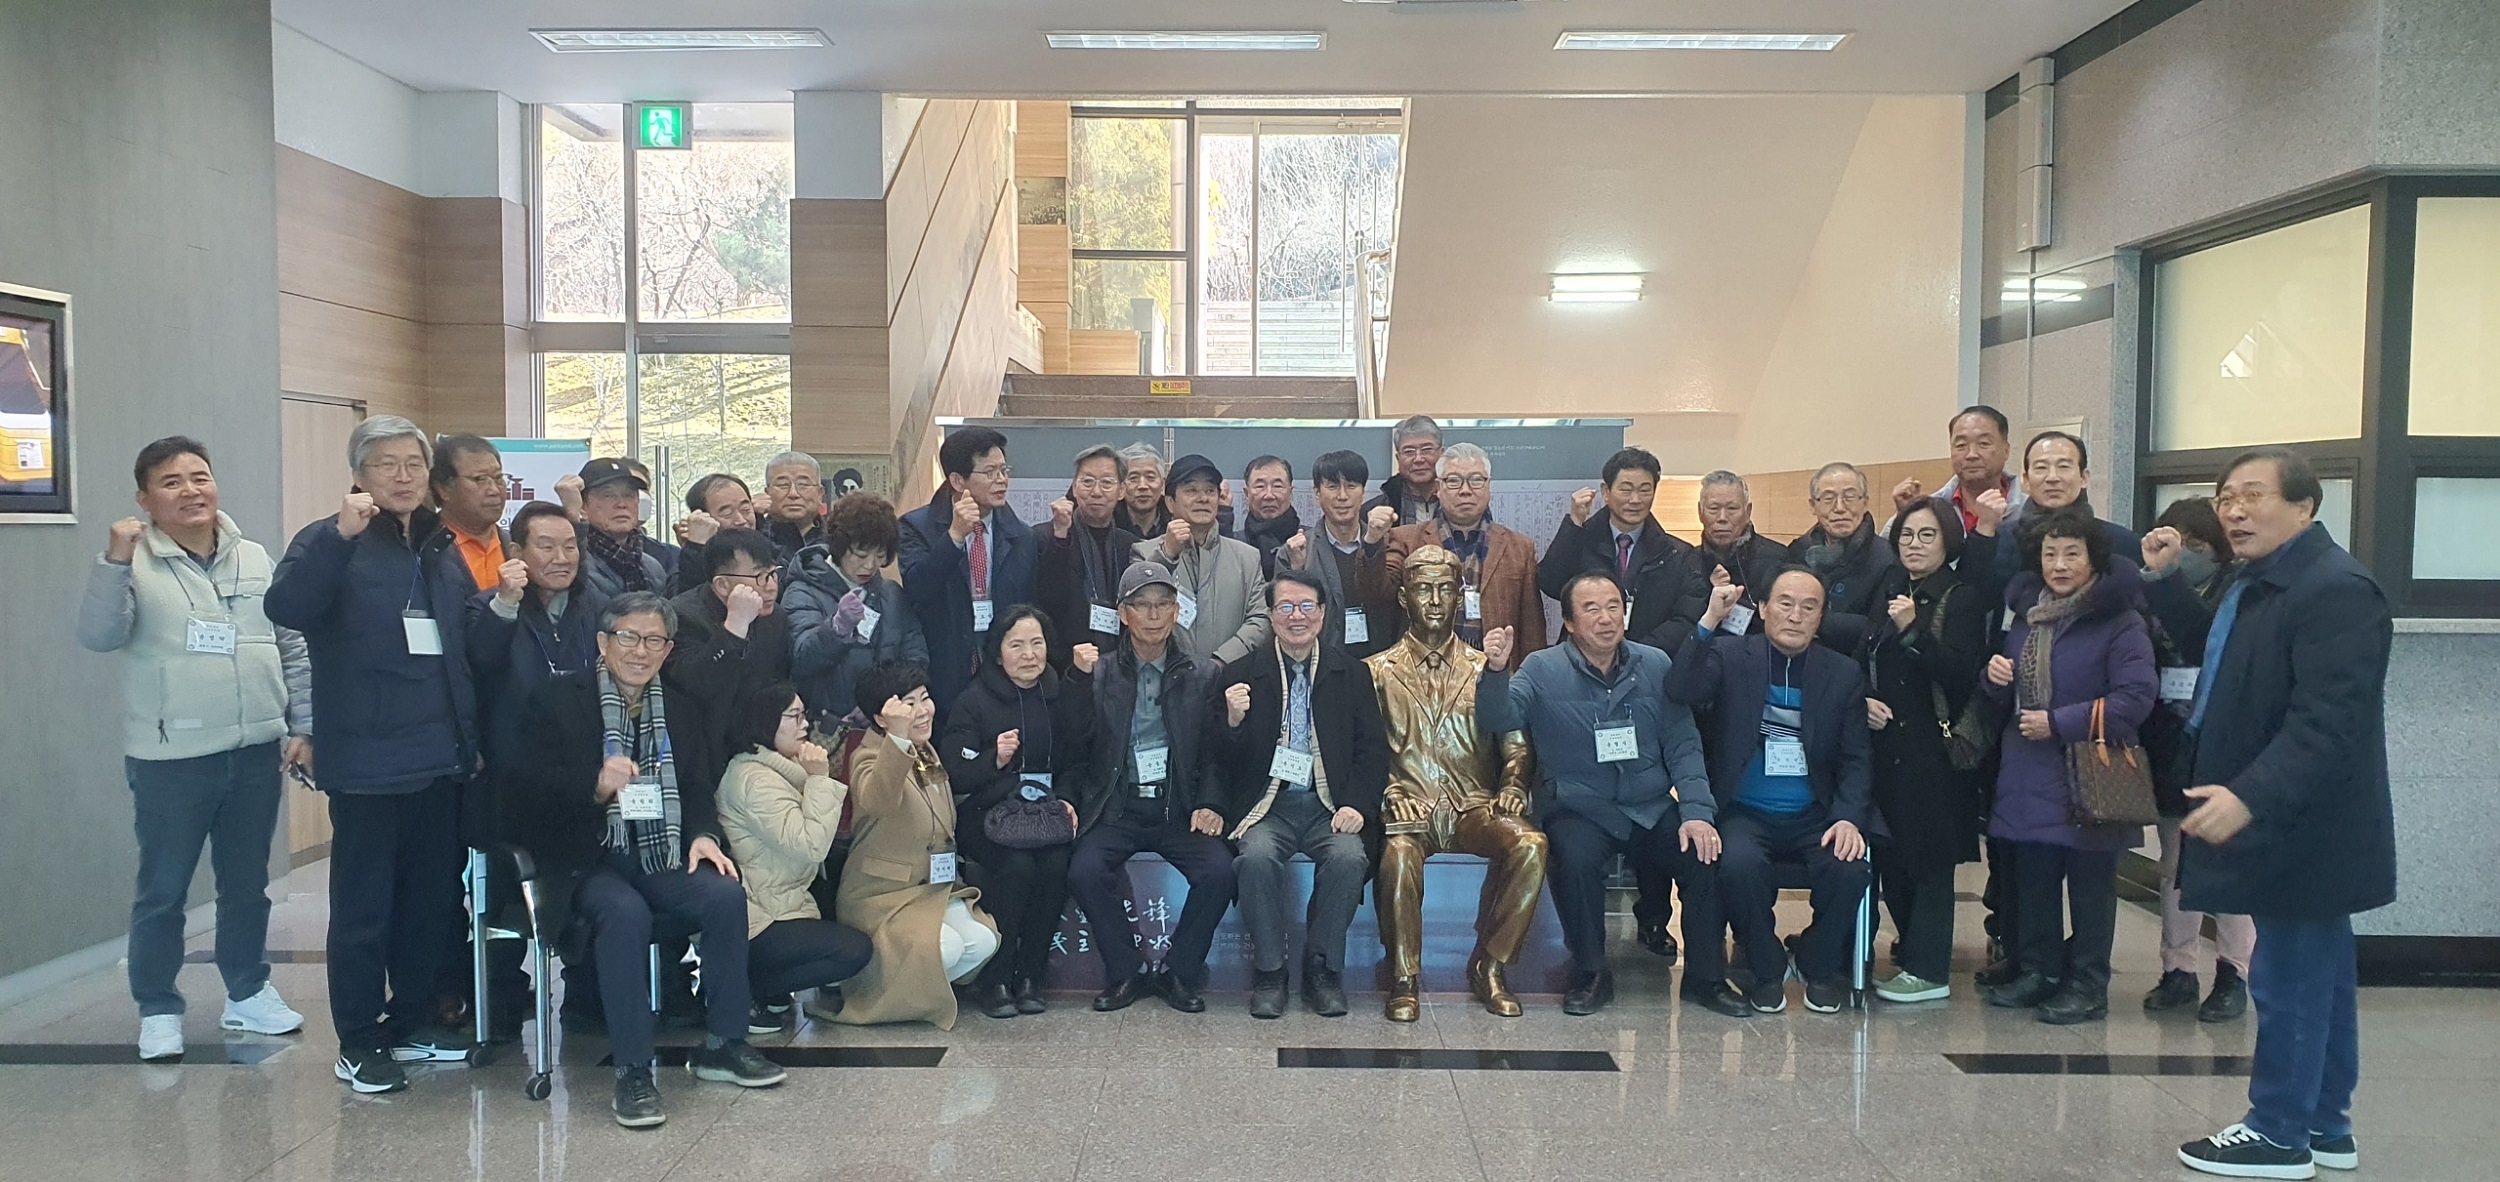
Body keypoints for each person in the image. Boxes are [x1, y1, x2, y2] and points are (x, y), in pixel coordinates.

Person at [2166, 449, 2393, 1180]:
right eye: (2226, 497)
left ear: (2304, 507)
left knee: (2290, 978)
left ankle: (2277, 1132)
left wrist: (2251, 796)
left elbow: (2329, 722)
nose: (2234, 511)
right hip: (2288, 816)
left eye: (2252, 496)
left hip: (2306, 823)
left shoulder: (2335, 590)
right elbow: (2224, 669)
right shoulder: (2261, 581)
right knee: (2320, 977)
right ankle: (2325, 1124)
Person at [506, 592, 786, 1128]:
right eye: (628, 638)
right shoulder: (558, 701)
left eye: (654, 640)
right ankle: (633, 1070)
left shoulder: (679, 709)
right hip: (585, 857)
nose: (640, 651)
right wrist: (594, 787)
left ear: (668, 650)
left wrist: (703, 835)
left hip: (660, 850)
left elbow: (698, 786)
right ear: (603, 642)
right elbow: (525, 795)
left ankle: (724, 1044)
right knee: (624, 912)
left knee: (724, 894)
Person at [77, 437, 312, 1061]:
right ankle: (158, 1007)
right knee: (164, 890)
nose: (191, 491)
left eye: (199, 477)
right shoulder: (132, 561)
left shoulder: (253, 557)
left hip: (255, 748)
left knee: (247, 885)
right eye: (172, 482)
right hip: (171, 756)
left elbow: (291, 644)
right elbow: (99, 635)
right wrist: (113, 561)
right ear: (144, 499)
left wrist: (303, 725)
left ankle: (248, 991)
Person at [265, 416, 481, 1091]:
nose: (403, 476)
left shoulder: (439, 544)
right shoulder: (329, 539)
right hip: (368, 765)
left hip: (439, 759)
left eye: (413, 463)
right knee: (365, 912)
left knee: (428, 904)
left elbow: (464, 640)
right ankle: (358, 1041)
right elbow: (287, 606)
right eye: (386, 464)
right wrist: (339, 537)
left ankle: (409, 1021)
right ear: (359, 475)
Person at [1506, 571, 1744, 1018]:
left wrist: (1696, 812)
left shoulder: (1654, 663)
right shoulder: (1541, 668)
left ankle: (1706, 978)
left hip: (1648, 805)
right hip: (1579, 805)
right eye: (1591, 609)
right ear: (1570, 623)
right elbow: (1499, 718)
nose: (1605, 618)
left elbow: (1683, 744)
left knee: (1702, 853)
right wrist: (1495, 673)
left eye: (1613, 606)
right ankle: (1591, 972)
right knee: (1575, 860)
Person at [1977, 507, 2155, 1025]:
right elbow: (2003, 697)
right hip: (2027, 766)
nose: (2059, 564)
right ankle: (2039, 970)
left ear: (2093, 560)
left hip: (2089, 770)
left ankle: (2088, 983)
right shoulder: (2027, 614)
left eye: (2071, 554)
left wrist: (2059, 722)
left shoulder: (2120, 620)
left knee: (2089, 886)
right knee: (2033, 878)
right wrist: (1993, 678)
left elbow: (2136, 697)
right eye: (2049, 554)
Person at [1673, 569, 1876, 1015]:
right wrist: (1708, 621)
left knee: (1850, 868)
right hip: (1744, 811)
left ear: (1821, 618)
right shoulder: (1730, 655)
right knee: (1736, 864)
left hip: (1816, 812)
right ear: (1763, 609)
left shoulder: (1842, 672)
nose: (1795, 615)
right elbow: (1680, 688)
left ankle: (1816, 962)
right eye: (1785, 603)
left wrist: (1847, 817)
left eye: (1809, 607)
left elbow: (1856, 758)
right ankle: (1766, 967)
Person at [1367, 546, 1545, 1021]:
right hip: (1410, 805)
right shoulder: (1376, 673)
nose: (1434, 601)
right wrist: (1389, 791)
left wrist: (1513, 785)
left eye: (1446, 590)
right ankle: (1403, 975)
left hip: (1474, 805)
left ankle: (1491, 965)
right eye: (1423, 589)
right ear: (1404, 597)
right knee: (1398, 855)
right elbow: (1363, 753)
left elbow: (1516, 745)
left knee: (1530, 845)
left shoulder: (1486, 668)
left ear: (1460, 597)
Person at [1214, 571, 1387, 1019]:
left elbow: (1372, 751)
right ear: (1271, 616)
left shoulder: (1352, 674)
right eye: (1286, 607)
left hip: (1329, 805)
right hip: (1267, 807)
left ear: (1322, 613)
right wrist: (1232, 723)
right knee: (1255, 858)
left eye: (1307, 606)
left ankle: (1322, 969)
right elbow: (1217, 758)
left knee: (1348, 858)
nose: (1297, 617)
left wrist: (1357, 805)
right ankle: (1270, 971)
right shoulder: (1241, 674)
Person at [1066, 560, 1236, 1014]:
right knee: (1084, 871)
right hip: (1116, 807)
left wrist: (1210, 803)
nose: (1154, 615)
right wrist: (1076, 681)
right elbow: (1075, 742)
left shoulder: (1203, 674)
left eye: (1164, 604)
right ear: (1123, 614)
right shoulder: (1100, 673)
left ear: (1177, 611)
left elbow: (1215, 752)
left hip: (1176, 808)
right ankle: (1128, 971)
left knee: (1219, 871)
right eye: (1143, 605)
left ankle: (1179, 972)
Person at [462, 499, 605, 1037]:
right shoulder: (488, 606)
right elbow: (479, 663)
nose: (562, 557)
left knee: (593, 875)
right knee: (505, 890)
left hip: (582, 773)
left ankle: (588, 994)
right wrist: (505, 601)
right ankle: (501, 997)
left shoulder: (594, 607)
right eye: (547, 546)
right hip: (512, 778)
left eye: (570, 546)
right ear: (516, 552)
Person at [938, 607, 1095, 1018]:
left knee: (1056, 864)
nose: (1029, 654)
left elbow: (1078, 759)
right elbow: (954, 771)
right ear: (997, 652)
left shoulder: (1059, 694)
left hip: (1045, 815)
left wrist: (1067, 798)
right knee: (1018, 867)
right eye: (1017, 645)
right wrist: (994, 759)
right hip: (988, 815)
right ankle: (996, 978)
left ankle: (1030, 976)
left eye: (1037, 643)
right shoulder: (974, 700)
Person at [1861, 502, 1988, 1003]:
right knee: (1894, 855)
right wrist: (1864, 699)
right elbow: (1867, 654)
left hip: (1934, 750)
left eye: (1927, 535)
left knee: (1932, 862)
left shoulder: (1962, 596)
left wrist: (1914, 630)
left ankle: (1930, 970)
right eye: (1907, 535)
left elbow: (1960, 673)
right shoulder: (1891, 585)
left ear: (1948, 541)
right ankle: (1911, 952)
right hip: (1887, 745)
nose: (1914, 544)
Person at [833, 661, 1002, 1027]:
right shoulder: (868, 756)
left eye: (924, 698)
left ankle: (911, 995)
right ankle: (880, 995)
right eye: (908, 704)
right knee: (947, 948)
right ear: (881, 717)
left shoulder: (925, 750)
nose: (922, 711)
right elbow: (879, 800)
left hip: (931, 889)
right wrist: (896, 739)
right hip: (884, 895)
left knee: (983, 940)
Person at [2138, 495, 2255, 1022]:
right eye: (2177, 542)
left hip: (2224, 740)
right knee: (2174, 863)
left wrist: (2169, 581)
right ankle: (2177, 967)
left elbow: (2210, 642)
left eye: (2197, 545)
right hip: (2168, 736)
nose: (2185, 553)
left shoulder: (2238, 590)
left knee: (2226, 862)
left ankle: (2234, 972)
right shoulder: (2149, 584)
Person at [714, 682, 874, 1033]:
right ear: (764, 721)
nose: (805, 725)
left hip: (780, 903)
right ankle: (745, 988)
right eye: (794, 716)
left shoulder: (778, 769)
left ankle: (766, 986)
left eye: (805, 715)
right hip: (758, 919)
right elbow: (810, 845)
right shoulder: (755, 781)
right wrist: (820, 779)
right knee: (854, 951)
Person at [899, 426, 1038, 722]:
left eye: (1004, 470)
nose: (1001, 480)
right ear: (957, 480)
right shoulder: (916, 528)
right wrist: (954, 538)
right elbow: (917, 589)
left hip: (1002, 673)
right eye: (989, 472)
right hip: (944, 670)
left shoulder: (1022, 536)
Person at [1364, 443, 1548, 658]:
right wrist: (1373, 540)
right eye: (1453, 481)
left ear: (1488, 486)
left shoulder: (1519, 547)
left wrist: (1530, 675)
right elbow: (1375, 593)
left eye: (1476, 480)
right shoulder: (1407, 540)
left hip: (1494, 667)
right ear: (1438, 488)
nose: (1465, 490)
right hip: (1425, 669)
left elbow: (1532, 629)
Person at [784, 494, 927, 729]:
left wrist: (879, 702)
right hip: (829, 725)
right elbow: (801, 660)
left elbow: (916, 656)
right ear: (839, 547)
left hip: (887, 721)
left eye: (880, 556)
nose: (870, 565)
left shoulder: (891, 593)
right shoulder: (803, 591)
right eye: (861, 555)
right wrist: (837, 630)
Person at [1537, 446, 1702, 649]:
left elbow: (1685, 618)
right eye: (1626, 490)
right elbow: (1551, 584)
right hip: (1583, 656)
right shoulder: (1581, 540)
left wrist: (1638, 653)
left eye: (1645, 490)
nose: (1635, 500)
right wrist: (1574, 525)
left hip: (1649, 659)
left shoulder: (1678, 554)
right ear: (1606, 492)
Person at [1133, 452, 1270, 676]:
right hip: (1165, 679)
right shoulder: (1144, 552)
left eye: (1210, 491)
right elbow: (1138, 610)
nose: (1203, 498)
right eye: (1191, 490)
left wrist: (1220, 661)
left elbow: (1261, 619)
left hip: (1230, 679)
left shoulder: (1247, 557)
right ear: (1170, 502)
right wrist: (1167, 555)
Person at [1965, 430, 2141, 600]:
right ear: (2026, 480)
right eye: (2041, 468)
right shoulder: (2001, 540)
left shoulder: (2120, 542)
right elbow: (1972, 598)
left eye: (2063, 467)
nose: (2052, 477)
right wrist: (1984, 531)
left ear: (2084, 478)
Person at [1275, 449, 1392, 661]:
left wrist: (1374, 545)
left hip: (1379, 661)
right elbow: (1283, 616)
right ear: (1317, 493)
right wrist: (1297, 569)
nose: (1342, 496)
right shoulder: (1295, 551)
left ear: (1363, 492)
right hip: (1321, 663)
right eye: (1332, 486)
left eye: (1351, 486)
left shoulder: (1387, 543)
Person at [664, 529, 794, 720]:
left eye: (773, 574)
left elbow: (780, 680)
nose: (772, 586)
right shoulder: (682, 616)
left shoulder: (776, 617)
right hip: (703, 728)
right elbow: (697, 686)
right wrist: (734, 628)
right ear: (722, 585)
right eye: (760, 576)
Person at [1036, 444, 1141, 665]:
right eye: (1087, 481)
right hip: (1063, 662)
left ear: (1122, 490)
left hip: (1120, 662)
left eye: (1106, 483)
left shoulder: (1129, 544)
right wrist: (1060, 537)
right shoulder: (1046, 537)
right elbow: (1046, 598)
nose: (1096, 492)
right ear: (1074, 488)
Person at [1784, 462, 1898, 656]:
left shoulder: (1887, 557)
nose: (1839, 508)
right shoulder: (1798, 551)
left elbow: (1880, 628)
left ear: (1865, 502)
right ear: (1813, 506)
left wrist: (1816, 621)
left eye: (1850, 497)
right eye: (1828, 499)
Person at [1680, 471, 1794, 638]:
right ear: (1700, 512)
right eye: (1713, 508)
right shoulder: (1687, 560)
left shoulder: (1777, 558)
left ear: (1747, 512)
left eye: (1732, 509)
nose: (1722, 518)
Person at [1889, 405, 2027, 536]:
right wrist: (1906, 515)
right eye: (1961, 445)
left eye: (1984, 443)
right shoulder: (1932, 509)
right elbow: (1888, 549)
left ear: (2006, 451)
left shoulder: (2028, 510)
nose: (1971, 454)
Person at [562, 458, 669, 597]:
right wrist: (572, 519)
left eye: (628, 495)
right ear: (582, 505)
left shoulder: (653, 567)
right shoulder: (572, 562)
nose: (621, 504)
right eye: (608, 495)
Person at [429, 435, 508, 595]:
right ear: (444, 489)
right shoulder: (424, 550)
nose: (494, 490)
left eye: (498, 478)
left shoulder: (516, 545)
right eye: (479, 479)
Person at [667, 472, 757, 595]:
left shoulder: (773, 556)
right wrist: (695, 549)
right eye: (727, 513)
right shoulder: (682, 570)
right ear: (704, 520)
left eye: (746, 509)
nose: (741, 520)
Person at [1362, 414, 1444, 526]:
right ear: (1398, 459)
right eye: (1409, 451)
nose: (1418, 459)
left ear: (1442, 454)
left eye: (1426, 450)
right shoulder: (1374, 511)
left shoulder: (1461, 501)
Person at [1235, 454, 1302, 577]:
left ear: (1290, 492)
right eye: (1260, 486)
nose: (1269, 495)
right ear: (1246, 494)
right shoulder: (1235, 544)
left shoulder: (1310, 542)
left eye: (1277, 486)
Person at [760, 450, 828, 560]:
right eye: (783, 485)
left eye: (803, 485)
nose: (793, 494)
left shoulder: (838, 542)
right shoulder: (753, 541)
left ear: (820, 494)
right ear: (767, 493)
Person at [1110, 442, 1172, 539]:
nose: (1142, 486)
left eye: (1150, 477)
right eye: (1133, 478)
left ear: (1162, 484)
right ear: (1121, 487)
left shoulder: (1176, 522)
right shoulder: (1108, 525)